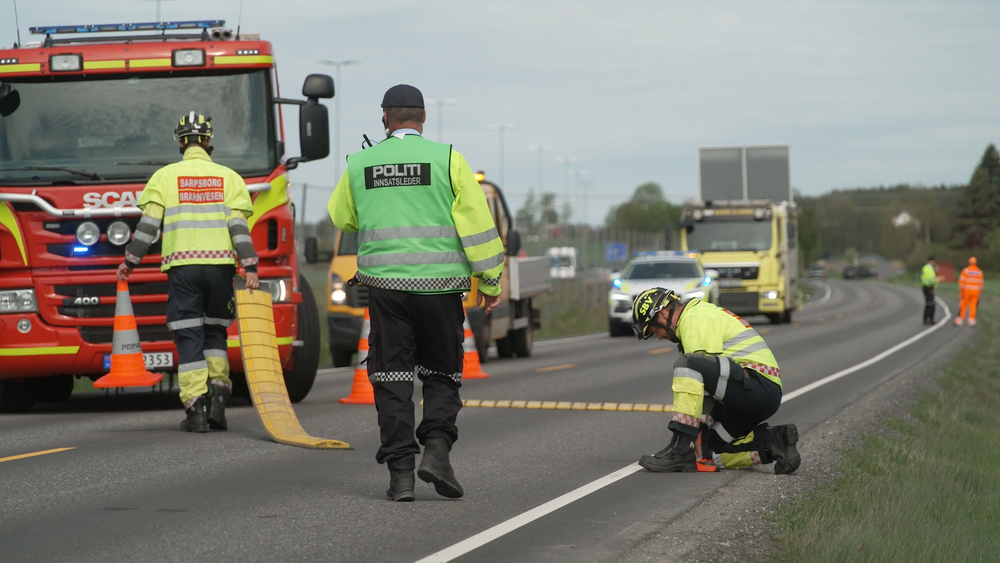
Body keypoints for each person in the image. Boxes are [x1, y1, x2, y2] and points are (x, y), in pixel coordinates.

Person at [327, 84, 504, 502]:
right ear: (423, 119)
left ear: (385, 118)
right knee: (442, 374)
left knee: (391, 378)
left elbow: (342, 217)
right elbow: (478, 228)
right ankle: (437, 454)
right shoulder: (448, 160)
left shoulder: (360, 162)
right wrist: (491, 281)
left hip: (386, 289)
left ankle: (400, 475)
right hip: (441, 290)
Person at [117, 112, 260, 433]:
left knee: (189, 333)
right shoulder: (229, 177)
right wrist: (250, 266)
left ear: (180, 142)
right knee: (214, 332)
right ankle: (220, 396)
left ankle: (195, 408)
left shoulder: (165, 178)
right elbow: (239, 228)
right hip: (221, 268)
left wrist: (130, 261)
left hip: (184, 268)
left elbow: (148, 228)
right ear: (208, 141)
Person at [630, 288, 800, 474]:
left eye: (655, 329)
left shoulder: (694, 319)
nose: (660, 336)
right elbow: (712, 384)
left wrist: (691, 434)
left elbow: (701, 386)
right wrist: (701, 437)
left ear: (662, 313)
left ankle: (681, 450)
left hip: (756, 385)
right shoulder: (696, 316)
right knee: (707, 451)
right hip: (752, 394)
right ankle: (773, 443)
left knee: (688, 364)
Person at [956, 256, 984, 327]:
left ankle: (960, 320)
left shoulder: (966, 271)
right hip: (975, 292)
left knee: (963, 305)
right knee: (973, 306)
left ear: (969, 262)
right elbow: (981, 283)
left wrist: (962, 291)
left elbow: (961, 282)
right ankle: (971, 321)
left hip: (966, 292)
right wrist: (979, 292)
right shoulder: (979, 272)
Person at [920, 256, 939, 325]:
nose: (935, 263)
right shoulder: (929, 269)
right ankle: (929, 319)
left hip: (926, 287)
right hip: (929, 287)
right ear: (931, 261)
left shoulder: (926, 268)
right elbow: (931, 280)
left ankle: (927, 319)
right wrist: (938, 279)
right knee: (931, 304)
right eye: (934, 262)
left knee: (929, 304)